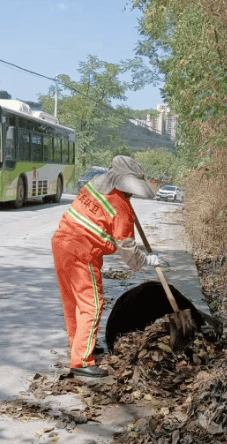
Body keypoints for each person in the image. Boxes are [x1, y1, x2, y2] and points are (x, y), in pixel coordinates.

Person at [51, 155, 161, 376]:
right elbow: (128, 252)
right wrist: (148, 260)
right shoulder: (122, 208)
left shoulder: (94, 186)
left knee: (72, 301)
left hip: (61, 243)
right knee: (91, 305)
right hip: (82, 253)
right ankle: (81, 362)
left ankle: (78, 345)